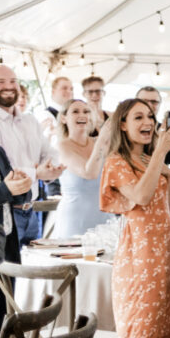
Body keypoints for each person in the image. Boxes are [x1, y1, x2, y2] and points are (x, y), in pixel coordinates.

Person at [98, 98, 170, 338]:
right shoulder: (117, 162)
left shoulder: (148, 158)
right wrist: (161, 156)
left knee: (157, 325)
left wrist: (169, 173)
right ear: (123, 125)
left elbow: (167, 203)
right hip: (139, 257)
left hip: (162, 252)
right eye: (139, 117)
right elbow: (143, 197)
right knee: (141, 331)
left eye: (150, 116)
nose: (147, 122)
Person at [0, 65, 65, 247]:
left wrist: (51, 168)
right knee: (7, 273)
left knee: (33, 270)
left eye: (13, 81)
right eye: (1, 82)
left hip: (32, 211)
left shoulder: (30, 121)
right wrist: (37, 173)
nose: (9, 86)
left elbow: (49, 152)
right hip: (5, 214)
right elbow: (4, 170)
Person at [54, 100, 114, 237]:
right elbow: (90, 172)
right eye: (75, 111)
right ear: (64, 118)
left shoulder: (101, 142)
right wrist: (101, 140)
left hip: (105, 222)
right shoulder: (62, 147)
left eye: (86, 112)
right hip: (73, 224)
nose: (82, 115)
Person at [0, 146, 32, 325]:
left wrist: (22, 187)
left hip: (6, 248)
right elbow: (4, 190)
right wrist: (5, 189)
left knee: (5, 320)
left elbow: (14, 197)